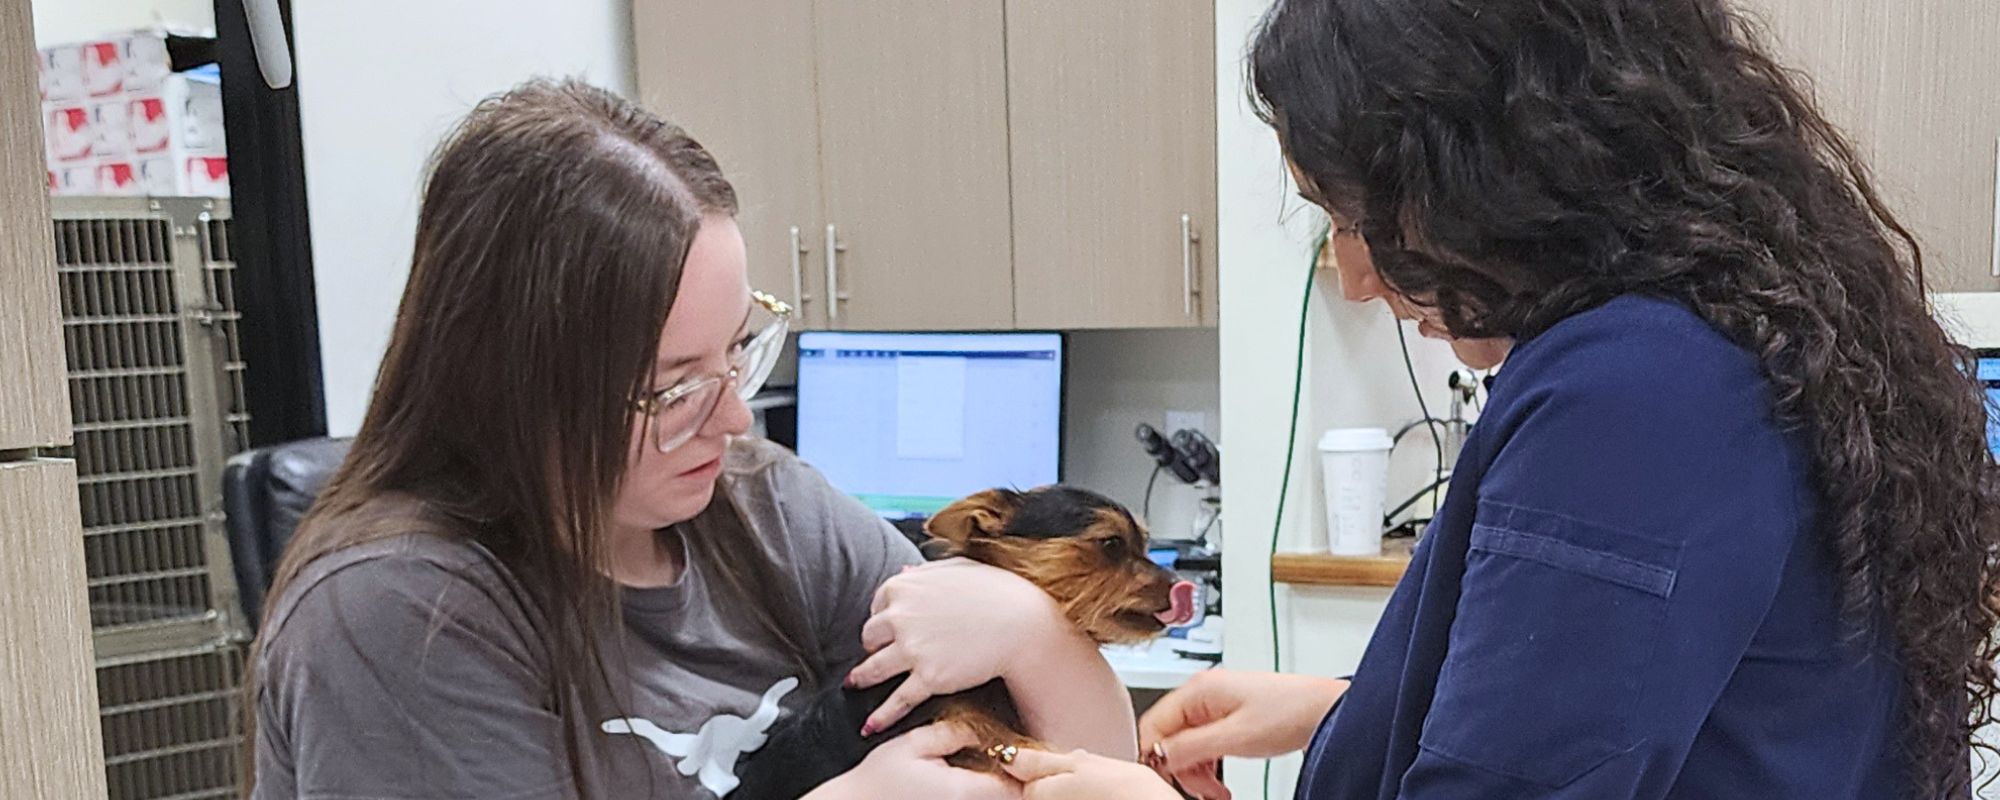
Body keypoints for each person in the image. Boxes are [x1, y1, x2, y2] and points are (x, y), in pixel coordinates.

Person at [1005, 0, 2000, 798]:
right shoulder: (1723, 345)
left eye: (1352, 218)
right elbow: (1674, 705)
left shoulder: (1632, 390)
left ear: (1496, 172)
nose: (1355, 277)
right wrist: (1340, 708)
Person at [245, 79, 1135, 800]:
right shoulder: (398, 614)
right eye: (671, 387)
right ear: (515, 383)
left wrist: (1031, 632)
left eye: (739, 350)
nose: (734, 418)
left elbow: (1103, 776)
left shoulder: (765, 507)